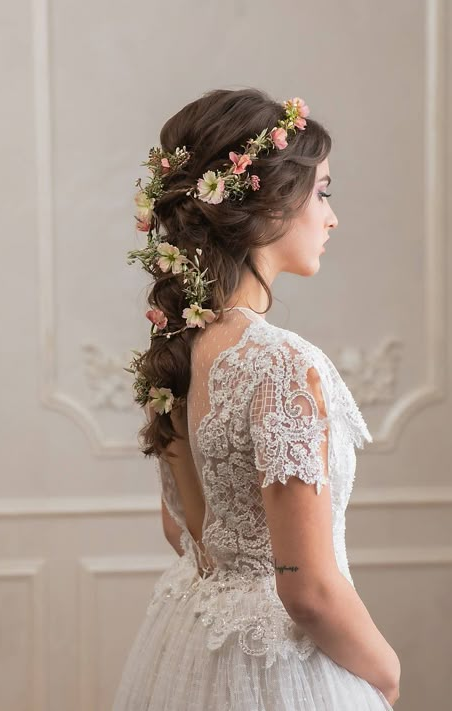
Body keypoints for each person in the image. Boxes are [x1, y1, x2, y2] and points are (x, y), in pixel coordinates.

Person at [113, 88, 401, 710]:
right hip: (281, 667)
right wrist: (386, 672)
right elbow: (309, 592)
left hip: (193, 644)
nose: (331, 217)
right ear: (269, 204)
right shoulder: (278, 363)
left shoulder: (177, 343)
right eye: (321, 193)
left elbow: (185, 530)